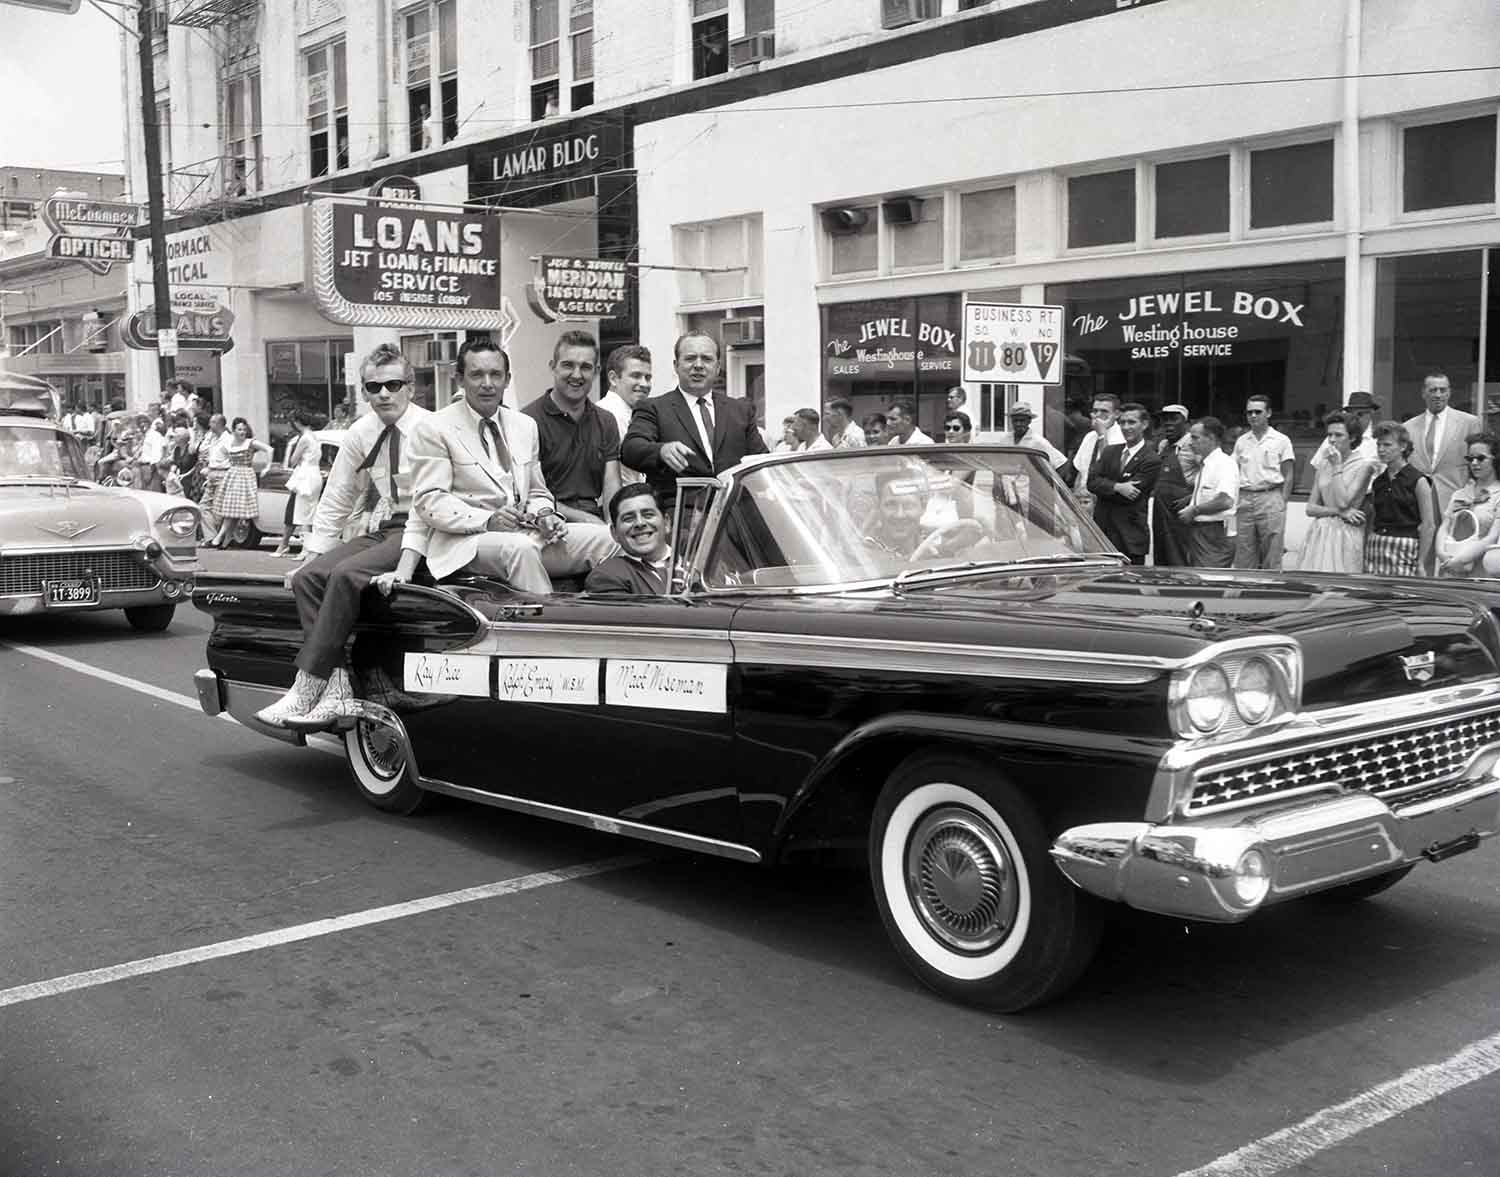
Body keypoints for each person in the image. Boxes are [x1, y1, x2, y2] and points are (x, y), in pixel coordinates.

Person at [254, 342, 434, 729]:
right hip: (387, 528)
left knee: (347, 575)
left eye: (393, 385)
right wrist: (312, 552)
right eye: (373, 387)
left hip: (427, 532)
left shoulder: (432, 428)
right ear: (363, 391)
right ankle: (335, 690)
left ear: (411, 387)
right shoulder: (360, 431)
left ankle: (305, 686)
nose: (384, 394)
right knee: (309, 577)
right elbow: (337, 495)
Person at [405, 336, 617, 594]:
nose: (487, 384)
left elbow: (538, 492)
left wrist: (545, 515)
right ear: (459, 379)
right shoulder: (433, 428)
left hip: (526, 535)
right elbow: (431, 502)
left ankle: (606, 621)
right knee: (521, 550)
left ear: (507, 379)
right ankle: (547, 627)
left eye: (495, 375)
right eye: (477, 375)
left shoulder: (524, 425)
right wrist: (488, 520)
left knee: (612, 539)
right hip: (467, 544)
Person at [621, 331, 768, 510]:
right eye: (690, 358)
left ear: (718, 367)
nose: (698, 365)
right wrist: (660, 450)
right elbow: (630, 449)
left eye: (706, 359)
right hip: (681, 516)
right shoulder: (654, 408)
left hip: (735, 514)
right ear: (676, 365)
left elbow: (762, 461)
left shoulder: (740, 410)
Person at [523, 329, 621, 522]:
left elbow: (611, 484)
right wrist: (585, 520)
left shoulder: (606, 421)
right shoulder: (527, 421)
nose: (576, 375)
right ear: (553, 367)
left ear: (596, 372)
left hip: (596, 523)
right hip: (547, 520)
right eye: (568, 365)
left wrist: (612, 527)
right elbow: (527, 493)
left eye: (585, 367)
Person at [1299, 411, 1377, 574]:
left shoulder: (1364, 467)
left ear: (1353, 437)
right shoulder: (1323, 465)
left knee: (1342, 588)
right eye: (1330, 435)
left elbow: (1344, 501)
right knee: (1315, 585)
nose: (1332, 440)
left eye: (1338, 435)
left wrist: (1337, 466)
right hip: (1321, 532)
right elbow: (1310, 508)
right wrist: (1338, 512)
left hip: (1346, 533)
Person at [1088, 402, 1160, 565]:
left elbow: (1131, 495)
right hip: (1103, 534)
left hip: (1130, 537)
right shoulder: (1110, 451)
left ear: (1144, 425)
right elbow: (1091, 482)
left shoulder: (1151, 459)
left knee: (1130, 587)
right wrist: (1118, 487)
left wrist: (1105, 486)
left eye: (1132, 422)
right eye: (1122, 422)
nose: (1126, 427)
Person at [1232, 395, 1296, 569]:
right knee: (1244, 552)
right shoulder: (1242, 441)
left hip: (1270, 497)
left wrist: (1282, 501)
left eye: (1257, 412)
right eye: (1249, 412)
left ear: (1268, 413)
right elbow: (1234, 471)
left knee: (1272, 551)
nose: (1253, 415)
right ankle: (1244, 590)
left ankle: (1271, 591)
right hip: (1245, 498)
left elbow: (1289, 474)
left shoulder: (1281, 440)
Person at [1365, 420, 1436, 578]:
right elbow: (1374, 518)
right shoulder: (1379, 482)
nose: (1381, 450)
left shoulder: (1418, 480)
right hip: (1377, 544)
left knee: (1402, 598)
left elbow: (1428, 525)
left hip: (1406, 547)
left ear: (1403, 447)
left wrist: (1421, 562)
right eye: (1379, 445)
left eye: (1387, 445)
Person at [1404, 370, 1480, 514]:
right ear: (1423, 393)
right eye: (1433, 390)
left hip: (1457, 500)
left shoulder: (1469, 423)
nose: (1438, 395)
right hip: (1416, 503)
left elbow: (1478, 462)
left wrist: (1473, 493)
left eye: (1442, 390)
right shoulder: (1408, 427)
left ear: (1449, 393)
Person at [584, 484, 675, 595]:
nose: (640, 523)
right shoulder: (606, 576)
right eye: (628, 518)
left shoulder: (694, 565)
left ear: (666, 523)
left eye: (648, 515)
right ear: (614, 532)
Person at [1436, 432, 1500, 577]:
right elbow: (1444, 527)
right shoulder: (1459, 494)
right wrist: (1442, 554)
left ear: (1495, 460)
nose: (1474, 463)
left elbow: (1493, 537)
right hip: (1452, 570)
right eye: (1470, 459)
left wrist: (1461, 560)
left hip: (1483, 575)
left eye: (1481, 458)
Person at [1179, 417, 1239, 568]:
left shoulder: (1224, 464)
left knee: (1210, 581)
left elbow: (1225, 501)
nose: (1190, 442)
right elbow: (1210, 493)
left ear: (1211, 438)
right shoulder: (1207, 464)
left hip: (1215, 533)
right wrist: (1191, 499)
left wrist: (1194, 509)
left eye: (1195, 438)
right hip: (1201, 532)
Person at [207, 418, 270, 548]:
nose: (242, 432)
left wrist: (267, 467)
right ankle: (227, 538)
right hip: (232, 475)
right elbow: (219, 456)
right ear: (234, 431)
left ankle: (220, 537)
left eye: (244, 429)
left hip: (245, 475)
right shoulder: (231, 444)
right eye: (239, 429)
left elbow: (269, 449)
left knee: (233, 508)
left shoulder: (250, 443)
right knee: (232, 508)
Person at [274, 410, 327, 558]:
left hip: (305, 475)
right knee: (310, 512)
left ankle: (306, 549)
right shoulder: (315, 437)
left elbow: (293, 460)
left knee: (303, 513)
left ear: (297, 422)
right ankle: (308, 547)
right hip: (314, 473)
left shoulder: (304, 438)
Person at [597, 344, 652, 483]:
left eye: (648, 377)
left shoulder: (634, 414)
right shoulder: (605, 415)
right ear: (613, 379)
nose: (644, 384)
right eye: (636, 376)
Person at [1150, 404, 1194, 567]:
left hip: (1183, 510)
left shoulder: (1193, 444)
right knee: (1161, 553)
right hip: (1161, 508)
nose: (1168, 423)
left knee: (1180, 554)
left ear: (1186, 423)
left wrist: (1192, 498)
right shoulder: (1163, 446)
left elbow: (1210, 475)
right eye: (1165, 419)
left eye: (1174, 419)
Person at [1070, 393, 1125, 512]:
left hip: (1106, 500)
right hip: (1085, 501)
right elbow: (1081, 471)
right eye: (1095, 411)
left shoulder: (1122, 436)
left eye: (1104, 411)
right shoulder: (1090, 436)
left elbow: (1108, 467)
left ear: (1116, 414)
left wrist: (1102, 435)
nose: (1098, 415)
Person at [1310, 391, 1380, 472]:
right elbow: (1316, 467)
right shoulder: (1333, 438)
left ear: (1371, 414)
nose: (1355, 418)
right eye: (1351, 413)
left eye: (1360, 414)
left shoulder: (1378, 441)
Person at [196, 414, 229, 539]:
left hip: (223, 473)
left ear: (219, 424)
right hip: (211, 473)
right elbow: (204, 451)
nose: (210, 425)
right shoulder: (213, 438)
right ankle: (211, 537)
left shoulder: (228, 439)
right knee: (203, 506)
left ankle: (219, 537)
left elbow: (233, 457)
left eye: (212, 422)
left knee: (218, 508)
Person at [1007, 404, 1067, 469]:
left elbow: (1060, 463)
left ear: (1029, 421)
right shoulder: (1005, 440)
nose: (1018, 424)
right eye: (1015, 420)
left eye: (1022, 421)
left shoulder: (1038, 441)